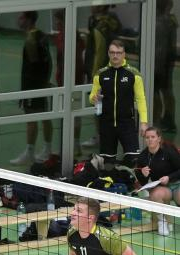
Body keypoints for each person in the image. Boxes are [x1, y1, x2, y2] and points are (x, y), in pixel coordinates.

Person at [90, 40, 148, 167]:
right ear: (108, 53)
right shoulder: (100, 74)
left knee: (133, 160)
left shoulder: (134, 74)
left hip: (126, 124)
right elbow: (92, 96)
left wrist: (144, 122)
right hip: (107, 124)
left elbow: (141, 99)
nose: (115, 56)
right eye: (112, 52)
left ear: (124, 54)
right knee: (107, 163)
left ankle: (130, 183)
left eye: (118, 53)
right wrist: (94, 98)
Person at [10, 11, 53, 166]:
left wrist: (29, 90)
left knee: (31, 119)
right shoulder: (42, 35)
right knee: (46, 117)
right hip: (43, 83)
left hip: (33, 85)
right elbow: (48, 62)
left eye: (21, 17)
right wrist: (46, 81)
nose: (18, 20)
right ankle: (47, 149)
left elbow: (34, 65)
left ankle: (29, 152)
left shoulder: (30, 39)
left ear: (28, 20)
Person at [82, 5, 122, 149]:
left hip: (101, 71)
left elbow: (99, 51)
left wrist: (94, 74)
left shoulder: (100, 25)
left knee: (98, 105)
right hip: (113, 68)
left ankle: (101, 136)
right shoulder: (111, 21)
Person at [135, 127, 180, 235]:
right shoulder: (143, 157)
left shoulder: (169, 150)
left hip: (177, 184)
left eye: (153, 137)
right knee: (156, 194)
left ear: (159, 138)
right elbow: (143, 183)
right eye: (147, 137)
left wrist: (169, 177)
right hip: (162, 188)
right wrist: (143, 175)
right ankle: (162, 221)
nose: (150, 140)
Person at [53, 9, 85, 156]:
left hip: (71, 79)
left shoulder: (67, 35)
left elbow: (67, 57)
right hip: (69, 79)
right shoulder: (67, 34)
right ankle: (71, 144)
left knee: (71, 113)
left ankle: (72, 145)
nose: (55, 22)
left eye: (57, 19)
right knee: (70, 113)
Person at [154, 0, 178, 133]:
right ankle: (167, 118)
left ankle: (159, 120)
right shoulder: (169, 21)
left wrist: (157, 66)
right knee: (166, 90)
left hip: (161, 62)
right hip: (165, 61)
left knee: (158, 91)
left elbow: (160, 48)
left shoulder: (163, 22)